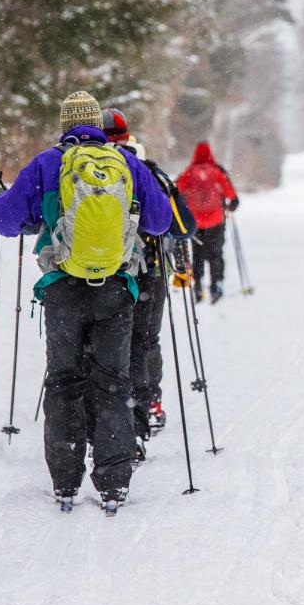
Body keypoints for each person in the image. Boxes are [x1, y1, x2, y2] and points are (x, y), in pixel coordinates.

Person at [0, 91, 171, 515]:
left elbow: (6, 221)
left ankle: (66, 482)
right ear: (97, 126)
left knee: (66, 380)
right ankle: (113, 483)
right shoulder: (127, 164)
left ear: (65, 125)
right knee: (113, 382)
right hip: (116, 288)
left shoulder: (48, 164)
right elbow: (160, 221)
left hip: (63, 289)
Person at [97, 110, 195, 446]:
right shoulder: (147, 170)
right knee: (144, 342)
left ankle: (101, 417)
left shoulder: (76, 167)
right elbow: (184, 228)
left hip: (98, 274)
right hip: (148, 273)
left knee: (102, 347)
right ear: (126, 136)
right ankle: (148, 404)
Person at [175, 141, 239, 304]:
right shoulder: (216, 172)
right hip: (216, 221)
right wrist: (231, 205)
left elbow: (176, 189)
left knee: (197, 254)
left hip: (195, 222)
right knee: (216, 253)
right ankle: (216, 284)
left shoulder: (189, 172)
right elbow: (231, 196)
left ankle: (197, 285)